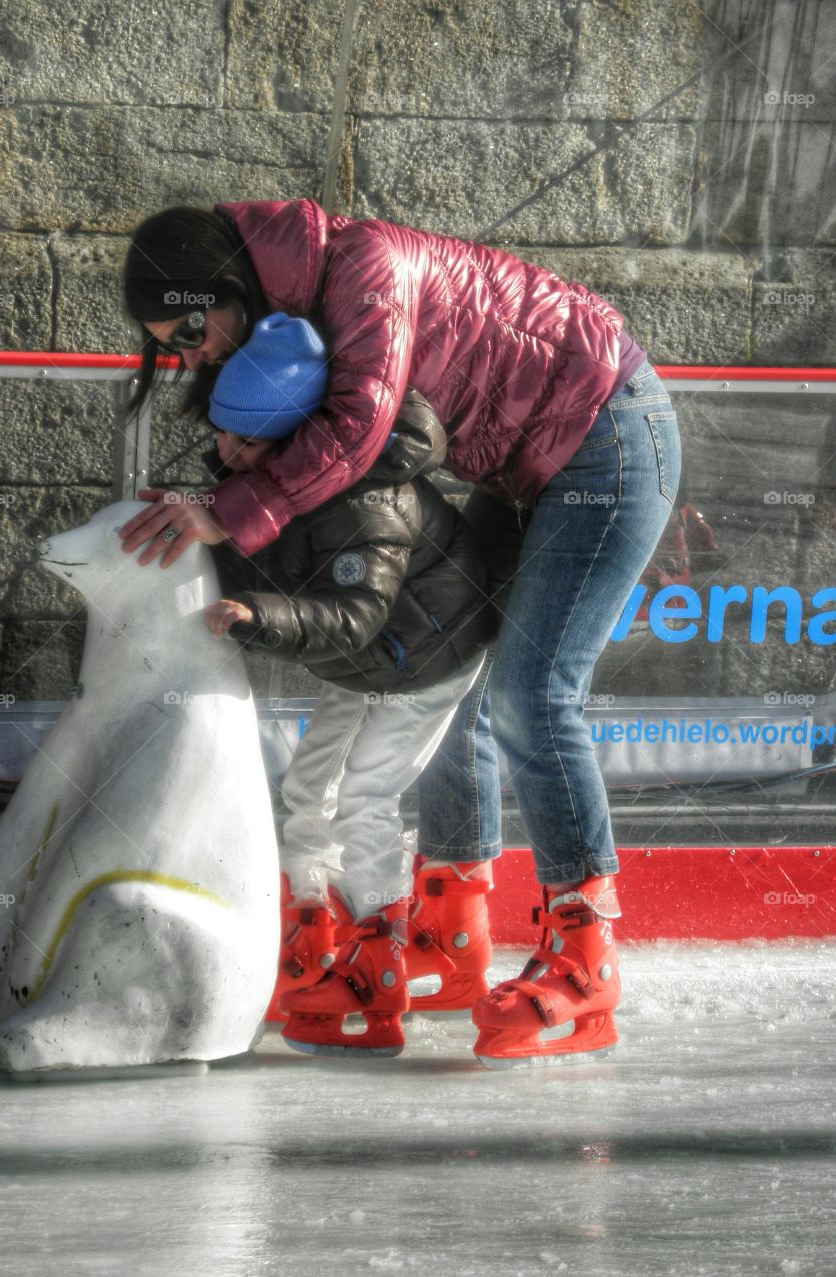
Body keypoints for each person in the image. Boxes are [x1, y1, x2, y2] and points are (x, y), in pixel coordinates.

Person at [118, 198, 681, 1067]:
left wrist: (227, 514)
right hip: (522, 459)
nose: (193, 356)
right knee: (450, 655)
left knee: (535, 695)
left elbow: (357, 428)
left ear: (223, 287)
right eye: (174, 348)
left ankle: (586, 950)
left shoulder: (361, 269)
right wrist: (208, 504)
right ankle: (454, 924)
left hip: (607, 434)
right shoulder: (295, 313)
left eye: (189, 332)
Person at [199, 310, 496, 1056]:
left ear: (298, 438)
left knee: (365, 794)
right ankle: (310, 927)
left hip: (426, 656)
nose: (228, 455)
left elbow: (355, 614)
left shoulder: (367, 497)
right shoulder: (283, 475)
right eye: (222, 434)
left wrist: (255, 613)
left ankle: (378, 958)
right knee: (308, 786)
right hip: (368, 656)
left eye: (248, 441)